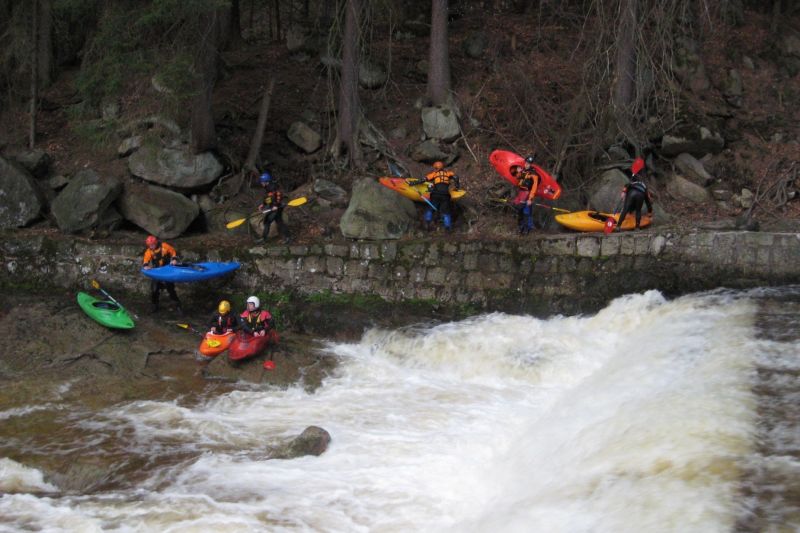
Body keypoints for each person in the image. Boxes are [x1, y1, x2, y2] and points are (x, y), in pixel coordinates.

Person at [411, 161, 460, 231]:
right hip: (445, 195)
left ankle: (427, 223)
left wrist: (414, 183)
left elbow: (423, 179)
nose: (434, 169)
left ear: (436, 168)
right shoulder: (448, 173)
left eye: (435, 168)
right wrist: (457, 186)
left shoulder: (434, 174)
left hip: (435, 194)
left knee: (430, 208)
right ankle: (448, 228)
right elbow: (456, 177)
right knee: (446, 212)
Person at [142, 235, 181, 313]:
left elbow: (173, 252)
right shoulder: (149, 251)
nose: (151, 246)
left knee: (170, 288)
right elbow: (145, 260)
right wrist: (146, 266)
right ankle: (154, 305)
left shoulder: (164, 246)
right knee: (154, 288)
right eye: (149, 245)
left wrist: (174, 260)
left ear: (156, 243)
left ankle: (177, 305)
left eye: (152, 245)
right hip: (158, 272)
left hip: (168, 271)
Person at [616, 157, 653, 231]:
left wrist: (624, 192)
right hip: (641, 195)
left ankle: (618, 226)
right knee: (638, 210)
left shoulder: (633, 182)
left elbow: (627, 185)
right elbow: (648, 202)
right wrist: (649, 213)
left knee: (625, 209)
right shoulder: (645, 187)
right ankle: (637, 227)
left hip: (632, 192)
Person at [510, 155, 541, 235]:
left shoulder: (534, 174)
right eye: (526, 163)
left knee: (526, 212)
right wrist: (518, 171)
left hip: (528, 194)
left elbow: (534, 188)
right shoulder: (523, 171)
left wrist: (530, 199)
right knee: (519, 210)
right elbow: (516, 176)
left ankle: (527, 229)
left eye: (529, 163)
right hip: (521, 193)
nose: (527, 164)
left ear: (531, 164)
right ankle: (521, 227)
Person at [258, 171, 291, 244]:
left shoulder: (273, 187)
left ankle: (264, 239)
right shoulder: (267, 188)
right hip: (274, 207)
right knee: (279, 222)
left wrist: (276, 205)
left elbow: (279, 196)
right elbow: (268, 198)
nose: (261, 183)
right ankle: (288, 237)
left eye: (262, 182)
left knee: (267, 222)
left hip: (277, 208)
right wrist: (263, 204)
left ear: (266, 181)